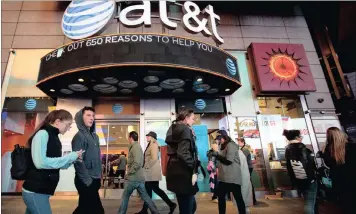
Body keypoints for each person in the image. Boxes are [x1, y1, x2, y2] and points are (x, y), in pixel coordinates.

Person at [22, 110, 84, 214]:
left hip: (42, 190)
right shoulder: (43, 134)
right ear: (57, 121)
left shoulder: (54, 136)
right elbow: (40, 162)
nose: (68, 129)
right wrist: (69, 157)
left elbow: (55, 164)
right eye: (68, 125)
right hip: (35, 190)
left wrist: (72, 159)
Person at [165, 109, 199, 214]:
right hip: (184, 171)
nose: (194, 121)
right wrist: (194, 169)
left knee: (187, 205)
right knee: (188, 208)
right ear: (186, 118)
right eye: (192, 119)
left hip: (174, 170)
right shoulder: (185, 130)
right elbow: (183, 153)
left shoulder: (173, 128)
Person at [72, 107, 104, 214]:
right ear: (81, 117)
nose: (92, 118)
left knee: (85, 208)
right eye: (88, 115)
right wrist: (87, 180)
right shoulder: (79, 137)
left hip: (95, 178)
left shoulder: (95, 136)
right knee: (97, 210)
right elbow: (77, 160)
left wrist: (99, 177)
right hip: (85, 180)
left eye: (93, 116)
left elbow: (97, 158)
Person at [118, 131, 159, 214]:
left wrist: (129, 173)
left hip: (133, 178)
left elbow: (137, 163)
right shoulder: (135, 147)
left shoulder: (135, 147)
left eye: (128, 137)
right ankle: (156, 212)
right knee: (146, 198)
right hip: (139, 178)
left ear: (130, 138)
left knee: (125, 197)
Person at [136, 131, 177, 214]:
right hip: (151, 172)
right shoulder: (151, 145)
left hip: (151, 172)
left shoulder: (153, 145)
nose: (147, 137)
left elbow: (154, 158)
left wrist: (146, 166)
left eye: (148, 136)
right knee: (153, 190)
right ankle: (170, 204)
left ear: (152, 137)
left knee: (150, 191)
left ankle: (171, 204)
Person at [321, 127, 356, 214]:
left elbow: (328, 164)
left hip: (338, 180)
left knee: (344, 204)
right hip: (352, 178)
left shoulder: (328, 149)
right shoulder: (352, 146)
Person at [209, 134, 246, 214]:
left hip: (232, 177)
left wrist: (217, 155)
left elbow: (229, 161)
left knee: (238, 197)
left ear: (224, 138)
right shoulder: (223, 146)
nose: (218, 141)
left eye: (219, 139)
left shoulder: (231, 145)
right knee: (222, 197)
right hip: (225, 177)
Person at [284, 129, 318, 214]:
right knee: (309, 203)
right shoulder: (301, 148)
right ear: (297, 137)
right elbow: (309, 164)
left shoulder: (288, 149)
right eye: (300, 136)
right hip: (309, 179)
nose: (301, 138)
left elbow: (289, 167)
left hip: (298, 179)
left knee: (307, 202)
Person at [238, 138, 257, 205]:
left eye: (239, 142)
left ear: (242, 142)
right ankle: (251, 199)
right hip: (247, 168)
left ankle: (252, 199)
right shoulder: (243, 149)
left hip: (248, 168)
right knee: (248, 183)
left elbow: (242, 159)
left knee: (248, 183)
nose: (238, 143)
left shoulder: (245, 149)